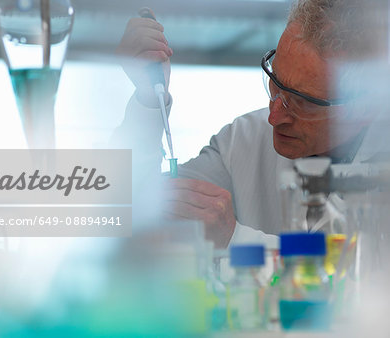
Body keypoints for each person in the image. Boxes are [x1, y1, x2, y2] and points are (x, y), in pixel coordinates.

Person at [115, 0, 388, 248]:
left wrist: (236, 239)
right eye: (275, 81)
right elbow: (123, 207)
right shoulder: (244, 140)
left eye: (302, 102)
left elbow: (360, 281)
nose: (274, 117)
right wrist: (148, 102)